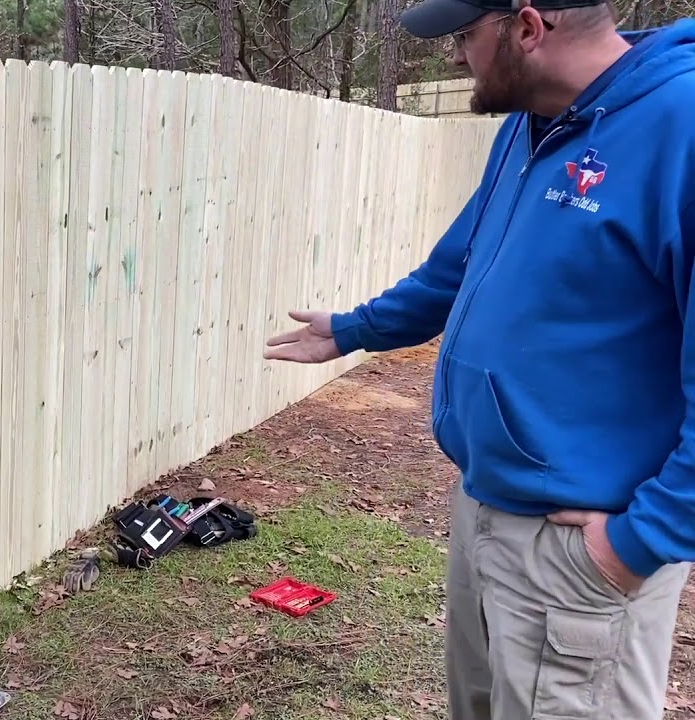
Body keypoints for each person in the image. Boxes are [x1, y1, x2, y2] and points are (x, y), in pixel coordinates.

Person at [263, 3, 695, 719]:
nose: (455, 57)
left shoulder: (678, 126)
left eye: (466, 36)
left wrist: (634, 545)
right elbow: (460, 266)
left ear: (527, 28)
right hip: (487, 505)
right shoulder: (531, 127)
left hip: (584, 545)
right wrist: (353, 330)